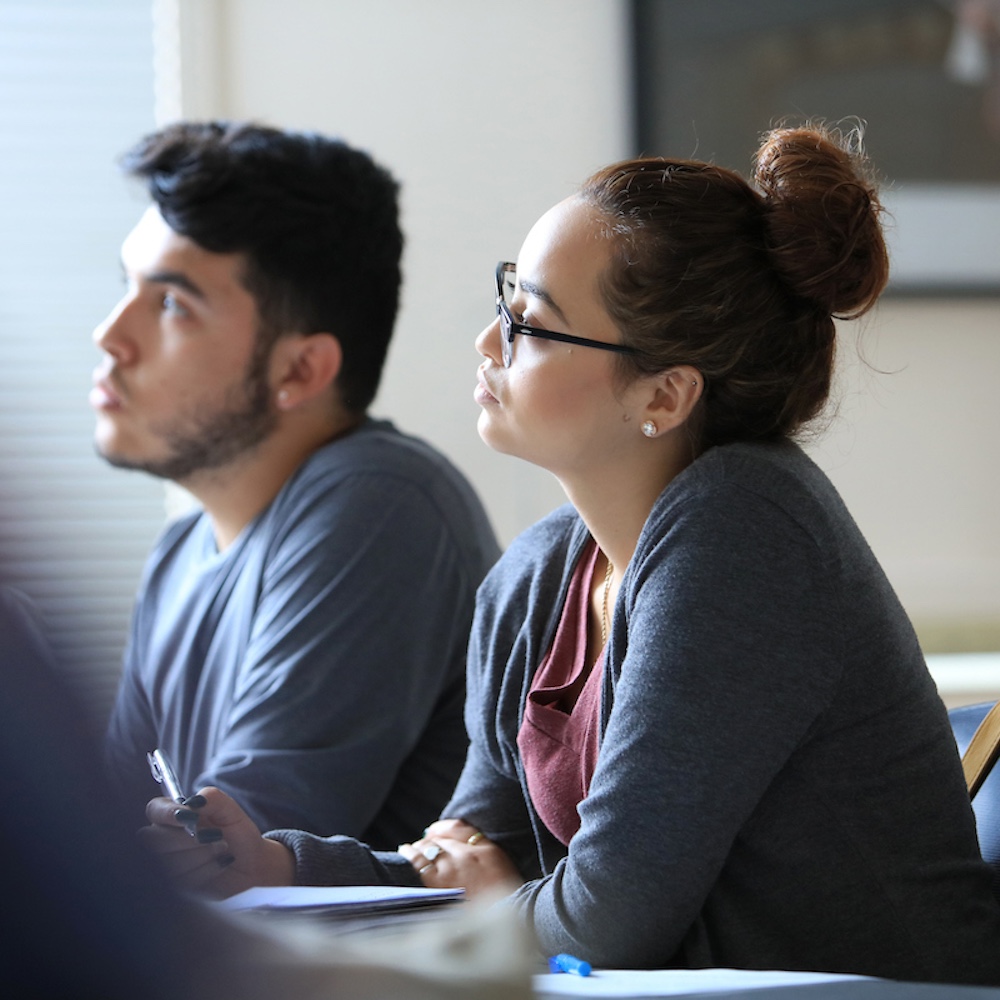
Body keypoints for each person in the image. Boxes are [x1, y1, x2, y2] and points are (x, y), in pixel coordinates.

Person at [139, 125, 1000, 984]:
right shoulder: (539, 573)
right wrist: (280, 865)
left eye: (532, 324)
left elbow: (607, 915)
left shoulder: (746, 526)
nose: (489, 342)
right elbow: (470, 862)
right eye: (505, 297)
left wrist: (493, 899)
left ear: (664, 394)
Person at [98, 121, 500, 846]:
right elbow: (98, 845)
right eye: (125, 289)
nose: (110, 336)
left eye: (170, 305)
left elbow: (226, 848)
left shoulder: (379, 501)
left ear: (300, 371)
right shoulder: (177, 556)